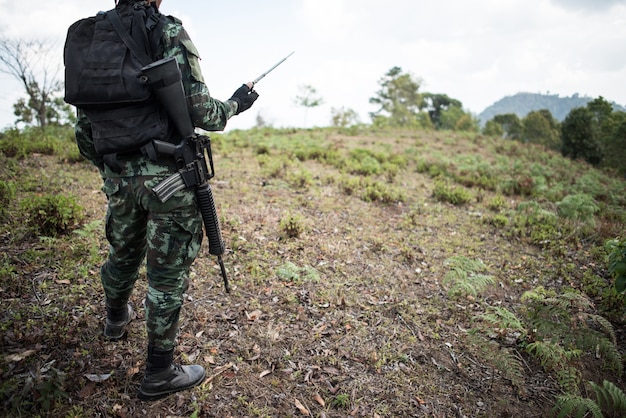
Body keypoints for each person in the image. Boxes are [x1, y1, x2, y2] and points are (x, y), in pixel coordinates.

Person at [73, 0, 258, 400]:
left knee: (122, 252)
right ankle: (159, 372)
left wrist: (112, 168)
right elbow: (204, 113)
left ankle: (115, 320)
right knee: (166, 274)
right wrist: (237, 103)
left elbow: (85, 120)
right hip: (169, 177)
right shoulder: (168, 30)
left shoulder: (88, 35)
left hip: (118, 174)